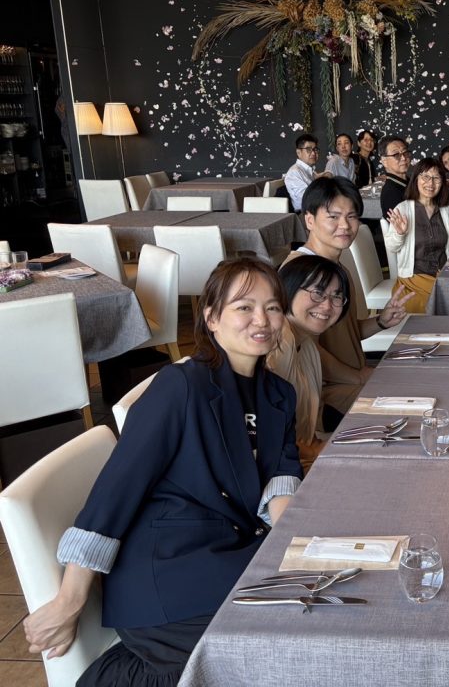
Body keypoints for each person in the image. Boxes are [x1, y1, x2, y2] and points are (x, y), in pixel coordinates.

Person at [23, 259, 302, 684]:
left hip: (231, 551)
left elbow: (281, 476)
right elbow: (119, 487)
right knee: (272, 645)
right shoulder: (182, 385)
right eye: (244, 307)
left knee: (305, 613)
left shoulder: (279, 394)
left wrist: (292, 550)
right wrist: (70, 598)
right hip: (167, 566)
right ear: (211, 317)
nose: (261, 320)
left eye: (273, 308)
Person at [288, 178, 413, 415]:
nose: (345, 225)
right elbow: (308, 350)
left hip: (350, 378)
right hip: (324, 396)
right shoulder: (298, 273)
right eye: (333, 217)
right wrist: (359, 377)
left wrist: (380, 321)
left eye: (352, 216)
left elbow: (344, 334)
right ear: (309, 220)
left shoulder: (339, 269)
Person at [268, 255, 350, 472]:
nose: (327, 305)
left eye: (336, 296)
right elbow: (266, 435)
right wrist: (317, 452)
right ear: (288, 289)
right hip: (282, 471)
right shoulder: (278, 341)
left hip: (302, 458)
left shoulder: (306, 346)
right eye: (318, 293)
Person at [384, 158, 449, 313]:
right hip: (413, 279)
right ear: (416, 179)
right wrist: (400, 234)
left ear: (442, 183)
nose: (430, 183)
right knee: (442, 302)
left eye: (436, 178)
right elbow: (391, 247)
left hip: (442, 275)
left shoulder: (447, 211)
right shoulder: (403, 209)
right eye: (425, 177)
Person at [283, 133, 322, 211]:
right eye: (308, 149)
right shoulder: (294, 173)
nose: (313, 153)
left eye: (315, 149)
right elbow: (307, 200)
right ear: (299, 153)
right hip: (305, 213)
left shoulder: (310, 171)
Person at [378, 134, 412, 217]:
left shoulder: (407, 181)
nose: (403, 158)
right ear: (384, 161)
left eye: (405, 153)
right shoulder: (391, 193)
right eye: (396, 155)